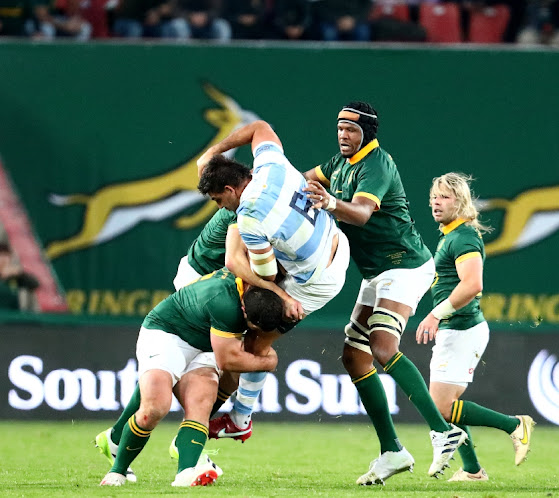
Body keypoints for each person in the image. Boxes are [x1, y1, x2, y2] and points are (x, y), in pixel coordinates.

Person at [302, 101, 467, 485]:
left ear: (368, 133)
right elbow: (301, 178)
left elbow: (359, 213)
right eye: (340, 127)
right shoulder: (337, 164)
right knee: (354, 358)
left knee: (381, 347)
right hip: (376, 273)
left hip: (405, 265)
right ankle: (392, 450)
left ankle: (442, 430)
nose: (343, 134)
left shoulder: (376, 164)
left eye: (351, 129)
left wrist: (328, 201)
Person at [195, 120, 350, 442]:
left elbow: (265, 277)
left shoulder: (250, 216)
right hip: (334, 241)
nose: (220, 208)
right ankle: (232, 410)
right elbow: (260, 127)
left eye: (218, 201)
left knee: (255, 339)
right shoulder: (271, 165)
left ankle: (240, 418)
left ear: (230, 189)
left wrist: (278, 294)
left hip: (316, 280)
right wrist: (214, 150)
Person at [99, 268, 284, 487]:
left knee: (202, 402)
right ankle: (117, 471)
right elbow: (227, 361)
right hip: (167, 334)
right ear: (244, 309)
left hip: (205, 344)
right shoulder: (225, 304)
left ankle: (186, 472)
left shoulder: (258, 289)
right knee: (155, 408)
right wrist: (268, 362)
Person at [415, 172, 534, 482]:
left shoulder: (464, 236)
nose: (435, 203)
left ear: (461, 201)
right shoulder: (451, 235)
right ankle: (472, 471)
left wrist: (435, 315)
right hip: (459, 328)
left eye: (444, 197)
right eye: (433, 197)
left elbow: (473, 284)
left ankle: (514, 425)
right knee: (449, 406)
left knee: (440, 407)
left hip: (462, 328)